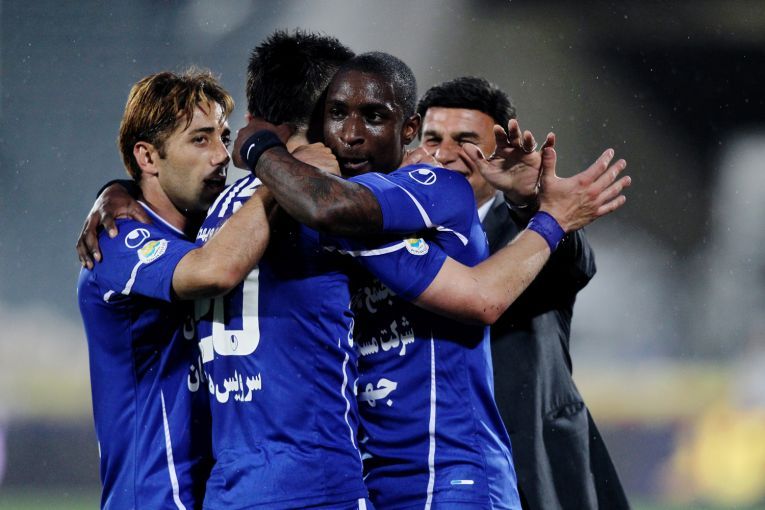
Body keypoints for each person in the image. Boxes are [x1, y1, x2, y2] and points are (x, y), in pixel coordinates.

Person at [235, 51, 630, 509]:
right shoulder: (347, 214)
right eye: (338, 114)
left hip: (474, 471)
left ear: (404, 130)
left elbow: (503, 291)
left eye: (466, 141)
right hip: (375, 477)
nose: (445, 153)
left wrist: (543, 212)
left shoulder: (433, 191)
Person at [416, 76, 630, 509]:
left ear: (498, 150)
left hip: (531, 470)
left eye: (465, 141)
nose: (443, 154)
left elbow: (574, 265)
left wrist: (530, 203)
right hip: (428, 468)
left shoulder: (529, 232)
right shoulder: (396, 240)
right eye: (432, 138)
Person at [77, 69, 273, 509]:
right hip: (153, 498)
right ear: (148, 157)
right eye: (200, 139)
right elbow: (215, 272)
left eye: (224, 137)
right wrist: (274, 184)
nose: (222, 155)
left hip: (219, 493)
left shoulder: (212, 232)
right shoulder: (115, 241)